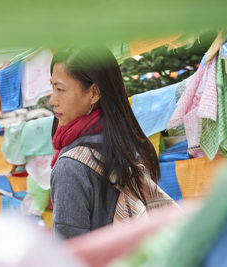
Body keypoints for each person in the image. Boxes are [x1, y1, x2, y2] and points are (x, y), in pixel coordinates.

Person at [49, 46, 161, 239]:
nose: (52, 99)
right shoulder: (131, 144)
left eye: (60, 89)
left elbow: (68, 255)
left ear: (94, 93)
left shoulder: (70, 167)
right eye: (52, 88)